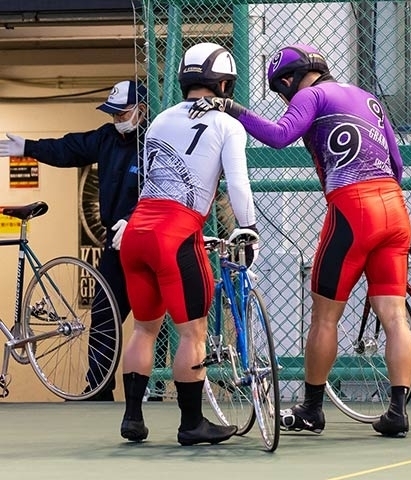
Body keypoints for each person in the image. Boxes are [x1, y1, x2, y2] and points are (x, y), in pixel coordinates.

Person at [189, 44, 411, 438]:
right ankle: (397, 411)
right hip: (395, 208)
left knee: (325, 316)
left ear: (289, 79)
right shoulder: (367, 97)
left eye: (282, 91)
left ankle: (312, 407)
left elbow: (280, 136)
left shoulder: (311, 95)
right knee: (394, 315)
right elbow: (397, 163)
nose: (285, 98)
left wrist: (233, 109)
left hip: (353, 207)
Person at [118, 42, 258, 446]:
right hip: (177, 234)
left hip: (138, 230)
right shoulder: (227, 125)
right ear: (226, 84)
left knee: (144, 328)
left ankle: (132, 418)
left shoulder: (160, 119)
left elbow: (152, 176)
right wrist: (248, 228)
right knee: (192, 333)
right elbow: (237, 185)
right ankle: (192, 423)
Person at [0, 79, 148, 401]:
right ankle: (98, 389)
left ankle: (161, 388)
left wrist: (137, 219)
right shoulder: (107, 138)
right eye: (113, 115)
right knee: (104, 314)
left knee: (155, 318)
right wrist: (30, 147)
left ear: (141, 111)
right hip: (115, 244)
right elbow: (71, 148)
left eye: (121, 114)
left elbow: (165, 188)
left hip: (149, 238)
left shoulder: (154, 143)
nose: (116, 120)